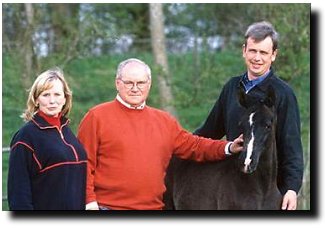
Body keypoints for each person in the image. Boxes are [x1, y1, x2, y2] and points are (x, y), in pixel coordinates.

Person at [77, 58, 244, 210]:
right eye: (129, 83)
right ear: (117, 83)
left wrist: (229, 147)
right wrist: (89, 203)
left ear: (149, 84)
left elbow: (194, 146)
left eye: (141, 83)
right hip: (108, 208)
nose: (135, 88)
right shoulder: (96, 117)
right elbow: (83, 164)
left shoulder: (164, 121)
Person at [194, 21, 304, 210]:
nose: (257, 58)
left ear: (274, 55)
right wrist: (178, 144)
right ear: (244, 50)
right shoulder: (232, 87)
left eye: (263, 53)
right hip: (232, 189)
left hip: (268, 194)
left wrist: (292, 189)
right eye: (253, 51)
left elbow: (291, 146)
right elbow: (209, 130)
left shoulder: (283, 94)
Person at [7, 67, 87, 210]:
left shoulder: (68, 132)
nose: (52, 101)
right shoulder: (25, 137)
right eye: (45, 95)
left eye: (57, 94)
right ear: (36, 99)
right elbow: (18, 194)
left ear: (65, 99)